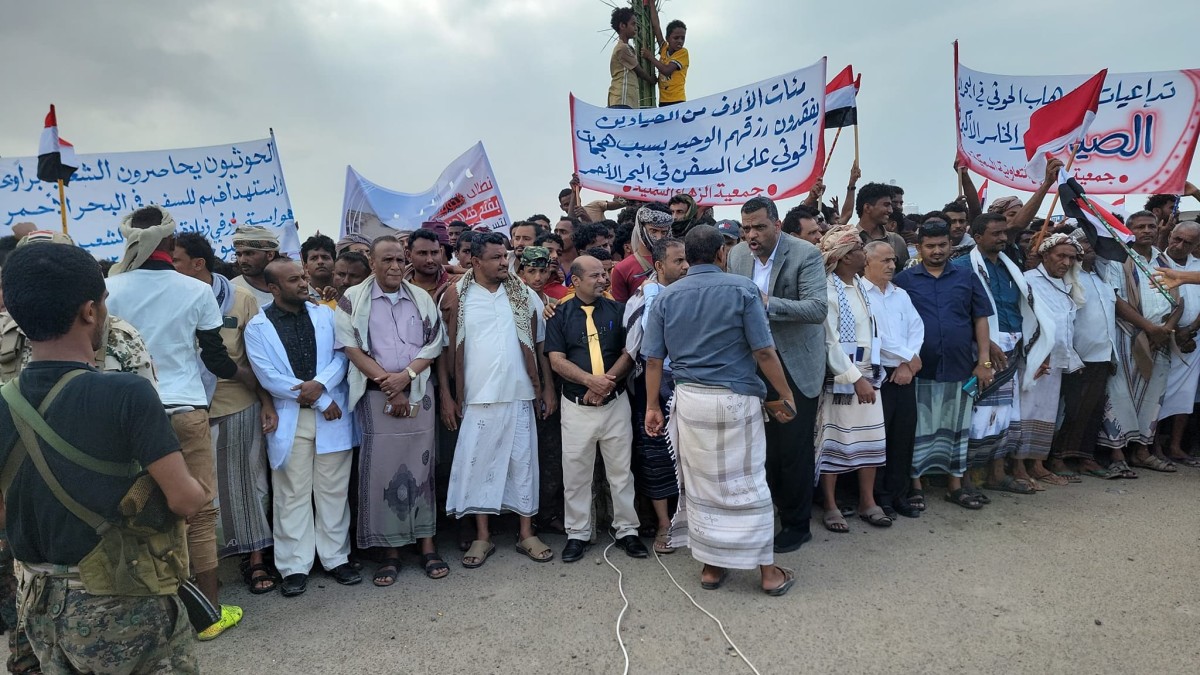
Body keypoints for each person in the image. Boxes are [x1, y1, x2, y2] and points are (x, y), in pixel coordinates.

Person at [0, 243, 208, 673]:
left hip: (39, 605)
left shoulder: (4, 402)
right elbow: (184, 500)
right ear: (90, 311)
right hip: (121, 602)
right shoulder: (125, 393)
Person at [105, 205, 246, 638]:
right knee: (200, 513)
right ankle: (209, 616)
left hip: (124, 415)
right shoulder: (196, 291)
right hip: (184, 410)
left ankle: (143, 616)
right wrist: (248, 378)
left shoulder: (107, 288)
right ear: (171, 243)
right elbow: (216, 359)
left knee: (132, 512)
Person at [642, 225, 796, 595]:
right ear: (721, 254)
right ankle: (768, 572)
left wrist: (651, 406)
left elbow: (653, 360)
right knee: (747, 483)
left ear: (688, 258)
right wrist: (785, 391)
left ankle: (712, 567)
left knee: (702, 486)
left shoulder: (666, 297)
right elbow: (763, 350)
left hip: (691, 401)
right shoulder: (742, 289)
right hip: (736, 400)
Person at [335, 236, 448, 586]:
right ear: (372, 262)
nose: (396, 267)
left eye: (400, 260)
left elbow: (435, 343)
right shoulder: (352, 300)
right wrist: (389, 384)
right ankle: (390, 551)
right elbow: (351, 348)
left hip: (418, 395)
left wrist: (406, 377)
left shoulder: (421, 298)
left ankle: (427, 544)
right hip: (377, 397)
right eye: (388, 260)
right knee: (383, 474)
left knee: (423, 469)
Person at [245, 259, 360, 597]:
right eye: (294, 279)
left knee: (333, 491)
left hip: (332, 416)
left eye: (303, 277)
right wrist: (321, 399)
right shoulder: (257, 326)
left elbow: (342, 358)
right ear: (273, 288)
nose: (303, 283)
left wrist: (321, 388)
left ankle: (336, 558)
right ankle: (294, 566)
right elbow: (268, 377)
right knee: (291, 493)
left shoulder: (326, 314)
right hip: (292, 414)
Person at [440, 233, 556, 568]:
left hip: (520, 394)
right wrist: (448, 396)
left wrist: (546, 388)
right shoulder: (455, 298)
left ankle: (526, 533)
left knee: (523, 463)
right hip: (476, 398)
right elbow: (443, 352)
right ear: (475, 262)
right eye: (495, 258)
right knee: (479, 466)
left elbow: (540, 344)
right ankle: (482, 537)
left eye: (505, 256)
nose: (504, 262)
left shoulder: (524, 295)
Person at [173, 233, 278, 594]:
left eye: (176, 261)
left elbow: (256, 360)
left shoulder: (240, 299)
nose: (171, 267)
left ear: (198, 264)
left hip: (236, 402)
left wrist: (266, 402)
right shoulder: (170, 297)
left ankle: (255, 561)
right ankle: (202, 567)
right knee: (197, 493)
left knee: (244, 483)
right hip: (187, 406)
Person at [727, 196, 826, 553]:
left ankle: (798, 525)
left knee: (793, 450)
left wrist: (765, 303)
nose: (751, 235)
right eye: (746, 228)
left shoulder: (805, 254)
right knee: (759, 449)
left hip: (794, 367)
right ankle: (764, 516)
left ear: (777, 225)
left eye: (759, 227)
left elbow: (816, 309)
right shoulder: (737, 256)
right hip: (752, 366)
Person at [545, 256, 643, 562]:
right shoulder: (559, 314)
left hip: (614, 404)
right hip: (576, 406)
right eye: (596, 275)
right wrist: (591, 382)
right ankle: (578, 533)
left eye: (605, 273)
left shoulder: (618, 309)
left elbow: (630, 352)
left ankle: (628, 530)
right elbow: (556, 359)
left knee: (621, 472)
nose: (604, 279)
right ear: (575, 281)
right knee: (576, 473)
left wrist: (606, 385)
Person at [953, 213, 1055, 493]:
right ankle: (968, 478)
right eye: (995, 233)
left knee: (1006, 414)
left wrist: (1035, 347)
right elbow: (959, 313)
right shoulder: (962, 267)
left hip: (1013, 348)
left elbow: (1024, 309)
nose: (1002, 238)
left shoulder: (1012, 266)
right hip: (981, 352)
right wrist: (985, 344)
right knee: (976, 416)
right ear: (977, 237)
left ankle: (997, 474)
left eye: (1004, 234)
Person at [894, 223, 993, 510]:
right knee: (919, 428)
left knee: (956, 428)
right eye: (930, 246)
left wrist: (984, 361)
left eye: (941, 245)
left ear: (950, 245)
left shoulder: (967, 276)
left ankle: (955, 486)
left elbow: (981, 319)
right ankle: (915, 486)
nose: (936, 251)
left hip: (960, 366)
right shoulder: (905, 280)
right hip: (919, 369)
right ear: (919, 247)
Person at [815, 228, 889, 531]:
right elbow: (830, 342)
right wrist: (854, 378)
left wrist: (868, 374)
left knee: (870, 439)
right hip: (842, 378)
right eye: (859, 248)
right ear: (845, 257)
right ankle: (830, 504)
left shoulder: (860, 285)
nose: (865, 252)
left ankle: (867, 501)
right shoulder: (828, 291)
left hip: (868, 374)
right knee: (835, 438)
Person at [1097, 211, 1182, 472]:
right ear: (1128, 229)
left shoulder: (1163, 259)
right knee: (1120, 394)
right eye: (1140, 226)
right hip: (1128, 336)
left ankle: (1142, 451)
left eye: (1151, 226)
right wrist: (1149, 328)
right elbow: (1117, 301)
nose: (1147, 230)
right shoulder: (1117, 258)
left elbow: (1179, 299)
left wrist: (1165, 329)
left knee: (1152, 396)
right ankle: (1117, 456)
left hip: (1160, 339)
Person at [624, 238, 687, 554]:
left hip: (689, 387)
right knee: (655, 455)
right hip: (653, 390)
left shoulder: (693, 293)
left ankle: (693, 522)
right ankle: (664, 524)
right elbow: (639, 348)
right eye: (678, 261)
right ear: (660, 266)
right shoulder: (641, 298)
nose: (685, 266)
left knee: (693, 456)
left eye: (686, 259)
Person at [1050, 236, 1127, 478]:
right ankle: (1057, 457)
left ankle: (1084, 457)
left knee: (1092, 411)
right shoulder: (1068, 279)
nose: (1088, 247)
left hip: (1102, 354)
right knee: (1071, 409)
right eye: (1082, 243)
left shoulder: (1102, 279)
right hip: (1077, 355)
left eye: (1091, 243)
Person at [1016, 233, 1086, 484]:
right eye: (1061, 256)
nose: (1066, 262)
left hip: (1055, 360)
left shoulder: (1067, 283)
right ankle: (1018, 466)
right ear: (1045, 255)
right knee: (1027, 409)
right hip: (1034, 359)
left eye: (1071, 257)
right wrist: (1036, 353)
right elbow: (1026, 320)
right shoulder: (1029, 281)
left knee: (1047, 412)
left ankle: (1037, 463)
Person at [861, 241, 924, 519]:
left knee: (903, 436)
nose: (891, 265)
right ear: (866, 262)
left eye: (893, 260)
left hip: (905, 374)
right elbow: (873, 336)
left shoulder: (901, 295)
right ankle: (877, 497)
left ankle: (898, 494)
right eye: (885, 260)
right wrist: (907, 358)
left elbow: (916, 327)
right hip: (878, 377)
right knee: (879, 439)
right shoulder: (859, 294)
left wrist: (908, 364)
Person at [516, 247, 566, 533]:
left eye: (541, 271)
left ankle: (547, 513)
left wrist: (548, 389)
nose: (536, 277)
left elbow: (549, 352)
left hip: (550, 385)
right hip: (519, 387)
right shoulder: (511, 303)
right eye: (530, 271)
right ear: (521, 272)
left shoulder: (556, 302)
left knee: (550, 453)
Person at [1155, 221, 1200, 467]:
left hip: (1192, 340)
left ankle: (1175, 446)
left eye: (1188, 243)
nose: (1180, 246)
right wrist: (1172, 330)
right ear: (1170, 234)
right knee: (1158, 392)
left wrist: (1191, 329)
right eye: (1177, 239)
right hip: (1160, 337)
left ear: (1197, 245)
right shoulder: (1156, 261)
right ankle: (1153, 445)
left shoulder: (1197, 267)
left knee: (1185, 394)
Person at [611, 204, 672, 302]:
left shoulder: (678, 262)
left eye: (664, 232)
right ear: (640, 229)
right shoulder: (622, 268)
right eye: (653, 231)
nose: (659, 237)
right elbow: (621, 310)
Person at [639, 2, 687, 105]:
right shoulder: (664, 48)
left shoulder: (683, 53)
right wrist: (651, 3)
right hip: (663, 101)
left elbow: (666, 71)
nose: (680, 41)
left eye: (682, 38)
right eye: (676, 38)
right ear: (667, 38)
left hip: (677, 100)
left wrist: (650, 57)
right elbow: (656, 26)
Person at [608, 7, 655, 109]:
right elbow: (639, 71)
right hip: (622, 99)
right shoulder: (622, 48)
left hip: (624, 100)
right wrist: (651, 79)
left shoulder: (627, 47)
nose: (636, 28)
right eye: (633, 24)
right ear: (622, 26)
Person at [854, 183, 910, 270]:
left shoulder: (896, 241)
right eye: (886, 205)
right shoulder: (849, 240)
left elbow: (904, 276)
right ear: (867, 207)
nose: (890, 210)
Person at [232, 225, 281, 308]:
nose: (242, 260)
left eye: (249, 253)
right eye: (239, 254)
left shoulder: (291, 283)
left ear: (270, 255)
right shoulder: (231, 290)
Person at [406, 228, 451, 300]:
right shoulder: (398, 286)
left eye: (434, 253)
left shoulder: (455, 285)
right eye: (422, 253)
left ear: (441, 253)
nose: (430, 260)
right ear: (408, 255)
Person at [302, 234, 337, 307]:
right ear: (306, 267)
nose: (320, 261)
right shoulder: (299, 296)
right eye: (314, 258)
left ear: (335, 263)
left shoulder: (345, 292)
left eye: (325, 257)